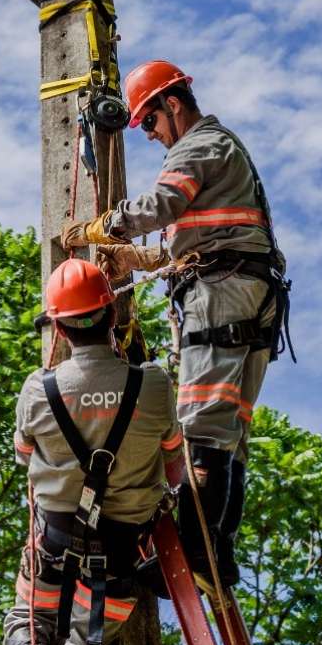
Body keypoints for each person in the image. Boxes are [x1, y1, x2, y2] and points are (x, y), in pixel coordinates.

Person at [61, 59, 292, 588]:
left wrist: (103, 226)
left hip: (222, 297)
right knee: (228, 434)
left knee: (202, 428)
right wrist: (133, 259)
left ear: (173, 102)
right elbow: (188, 244)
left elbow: (164, 204)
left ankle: (194, 557)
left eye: (148, 121)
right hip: (247, 297)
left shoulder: (198, 146)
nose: (147, 134)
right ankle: (219, 559)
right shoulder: (224, 155)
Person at [3, 258, 184, 645]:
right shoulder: (152, 386)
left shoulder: (38, 390)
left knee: (24, 623)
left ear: (57, 328)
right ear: (112, 314)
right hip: (121, 554)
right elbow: (174, 467)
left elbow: (24, 457)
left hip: (52, 546)